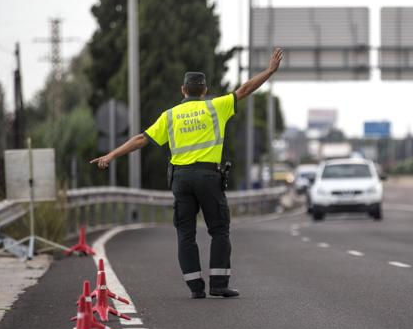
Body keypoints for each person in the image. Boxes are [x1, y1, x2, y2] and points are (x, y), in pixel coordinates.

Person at [90, 48, 283, 298]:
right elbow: (245, 89)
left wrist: (111, 155)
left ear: (183, 90)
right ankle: (218, 284)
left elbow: (141, 139)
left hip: (181, 179)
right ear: (204, 91)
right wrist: (269, 71)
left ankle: (195, 288)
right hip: (208, 177)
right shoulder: (216, 107)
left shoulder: (170, 116)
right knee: (219, 230)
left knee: (185, 234)